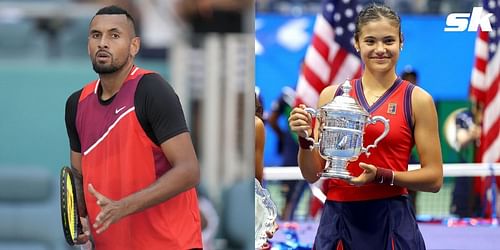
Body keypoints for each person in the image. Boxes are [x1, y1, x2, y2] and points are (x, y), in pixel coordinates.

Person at [288, 4, 443, 249]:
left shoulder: (418, 100)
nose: (380, 49)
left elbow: (434, 178)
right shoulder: (331, 96)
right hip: (338, 221)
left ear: (401, 42)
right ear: (357, 43)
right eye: (370, 41)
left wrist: (382, 176)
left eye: (388, 40)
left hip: (392, 221)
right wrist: (305, 139)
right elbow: (312, 173)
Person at [64, 6, 202, 249]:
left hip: (170, 244)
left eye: (114, 35)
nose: (103, 43)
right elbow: (79, 176)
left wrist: (124, 206)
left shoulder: (152, 90)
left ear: (134, 46)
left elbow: (189, 171)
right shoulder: (76, 104)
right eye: (96, 35)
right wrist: (81, 218)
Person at [268, 86, 307, 220]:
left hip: (309, 152)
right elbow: (272, 119)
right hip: (292, 152)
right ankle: (286, 224)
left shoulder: (316, 93)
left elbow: (271, 119)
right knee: (289, 194)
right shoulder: (288, 95)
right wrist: (283, 137)